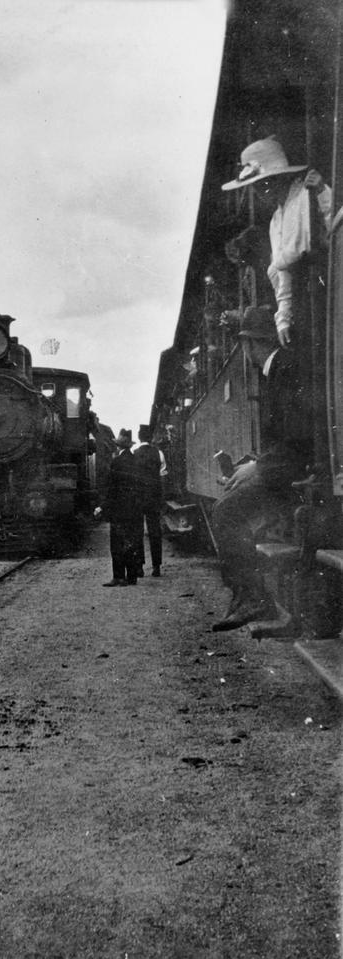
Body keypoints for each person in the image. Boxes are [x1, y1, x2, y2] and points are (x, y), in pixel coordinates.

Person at [211, 305, 311, 631]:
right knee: (230, 501)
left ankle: (254, 599)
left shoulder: (285, 369)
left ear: (250, 344)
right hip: (285, 466)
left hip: (294, 469)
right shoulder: (279, 368)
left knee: (226, 512)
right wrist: (250, 464)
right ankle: (249, 597)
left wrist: (258, 468)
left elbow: (297, 437)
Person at [222, 136, 332, 346]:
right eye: (255, 187)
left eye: (261, 184)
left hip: (325, 287)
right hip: (303, 304)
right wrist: (283, 318)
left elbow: (335, 228)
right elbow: (283, 276)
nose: (258, 192)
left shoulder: (307, 195)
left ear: (275, 180)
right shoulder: (275, 221)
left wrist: (322, 193)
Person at [95, 429, 142, 587]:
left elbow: (112, 489)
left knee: (117, 544)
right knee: (131, 542)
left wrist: (102, 506)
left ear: (118, 446)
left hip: (119, 509)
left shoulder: (116, 462)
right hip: (134, 509)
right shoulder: (136, 460)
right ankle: (132, 577)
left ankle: (119, 577)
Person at [132, 424, 163, 577]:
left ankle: (139, 567)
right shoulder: (159, 453)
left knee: (137, 531)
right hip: (154, 497)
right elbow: (163, 475)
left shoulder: (134, 453)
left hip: (138, 497)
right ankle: (156, 567)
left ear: (139, 438)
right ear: (151, 438)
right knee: (155, 531)